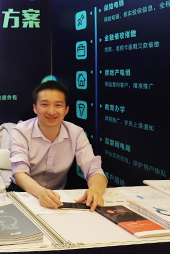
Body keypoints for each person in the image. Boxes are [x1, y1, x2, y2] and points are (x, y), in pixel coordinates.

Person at [9, 80, 107, 211]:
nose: (51, 111)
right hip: (23, 193)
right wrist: (41, 193)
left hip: (57, 197)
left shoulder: (76, 133)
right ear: (35, 108)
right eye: (44, 104)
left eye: (58, 105)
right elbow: (20, 173)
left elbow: (94, 170)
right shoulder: (20, 131)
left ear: (66, 110)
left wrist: (95, 189)